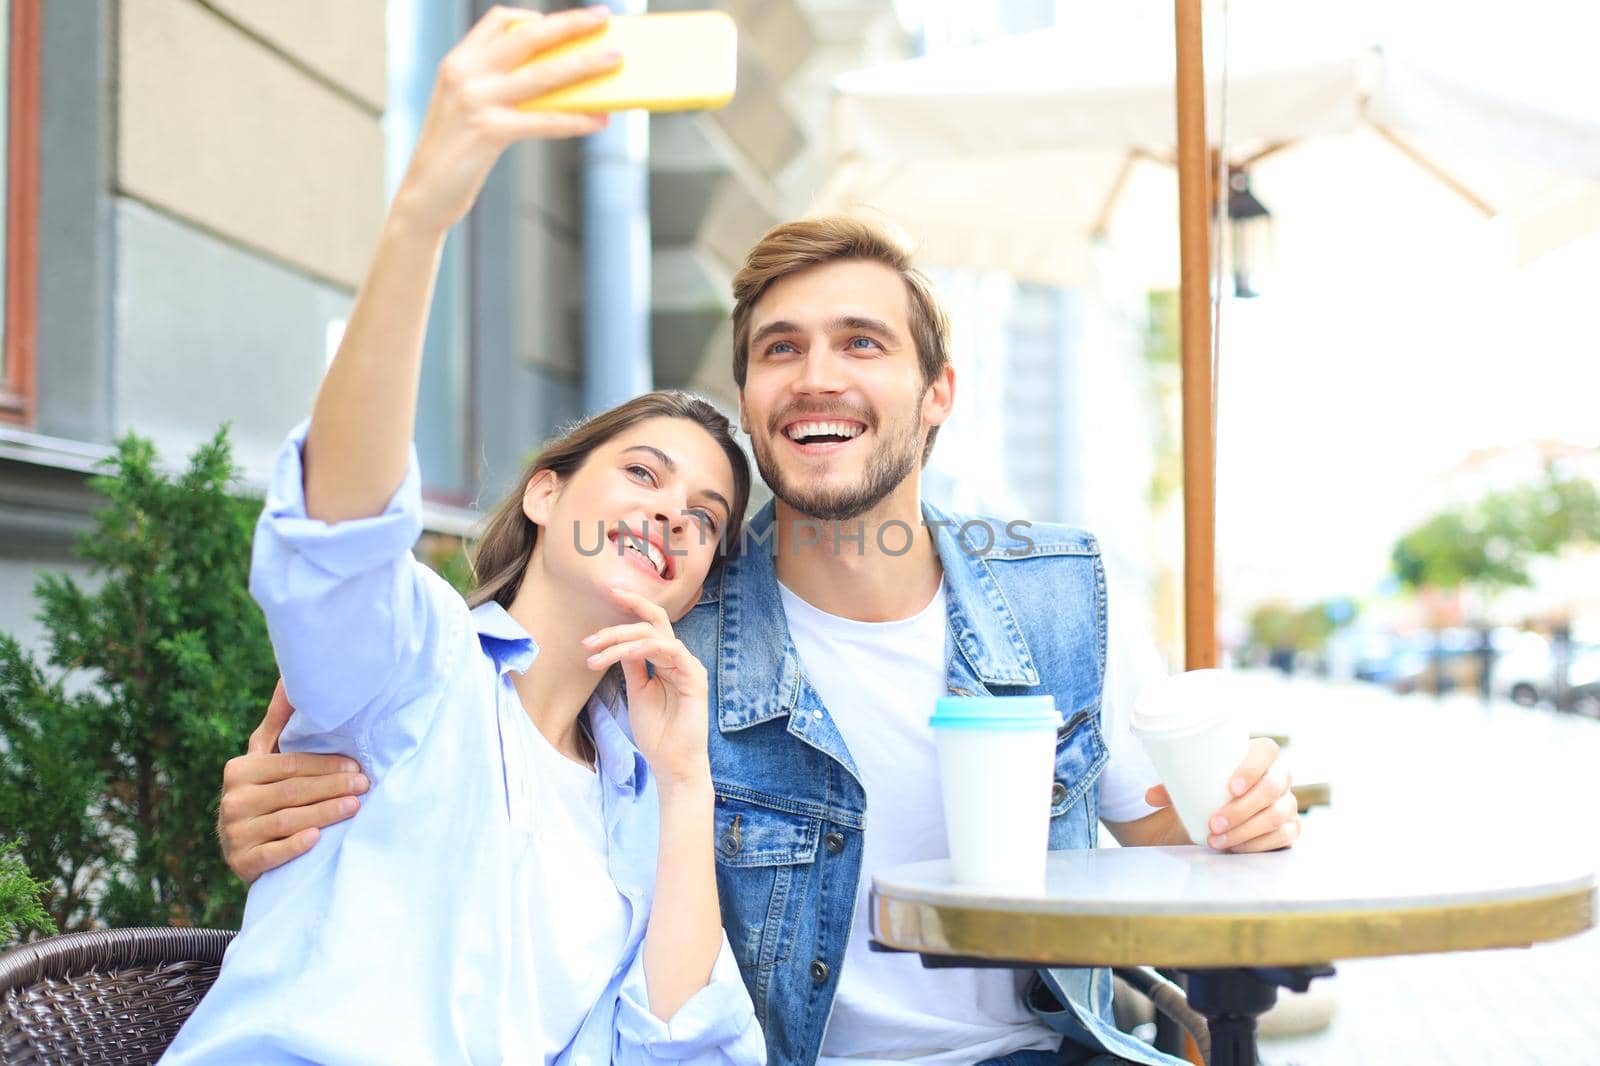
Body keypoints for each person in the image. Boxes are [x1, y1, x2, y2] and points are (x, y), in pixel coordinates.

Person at [219, 212, 1300, 1064]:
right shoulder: (670, 620)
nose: (817, 374)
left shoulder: (1060, 595)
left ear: (937, 396)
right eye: (781, 349)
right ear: (753, 396)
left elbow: (1176, 851)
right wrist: (311, 775)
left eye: (860, 344)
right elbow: (445, 697)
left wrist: (1244, 814)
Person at [164, 8, 766, 1064]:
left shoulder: (637, 792)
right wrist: (423, 218)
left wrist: (685, 785)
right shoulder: (414, 665)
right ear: (542, 494)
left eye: (706, 518)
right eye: (642, 472)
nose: (676, 513)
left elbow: (681, 1045)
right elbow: (336, 535)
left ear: (696, 582)